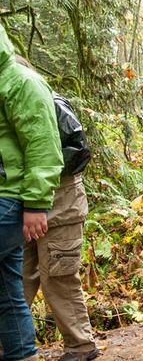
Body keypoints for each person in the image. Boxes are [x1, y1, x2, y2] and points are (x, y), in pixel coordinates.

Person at [14, 56, 99, 361]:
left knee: (59, 277)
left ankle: (80, 345)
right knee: (18, 275)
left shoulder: (50, 103)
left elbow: (75, 154)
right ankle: (11, 344)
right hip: (27, 204)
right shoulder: (13, 108)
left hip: (60, 204)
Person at [0, 24, 63, 360]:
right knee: (8, 291)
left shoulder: (19, 80)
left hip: (7, 198)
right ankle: (23, 354)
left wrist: (36, 204)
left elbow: (43, 145)